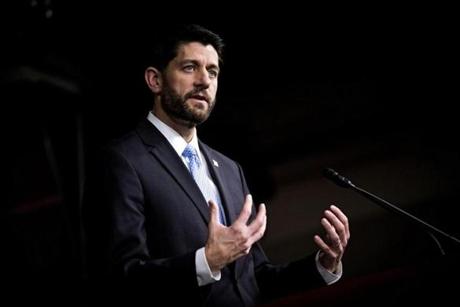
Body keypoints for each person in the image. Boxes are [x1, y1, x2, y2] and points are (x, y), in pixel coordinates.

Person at [83, 24, 350, 307]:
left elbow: (253, 278)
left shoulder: (230, 169)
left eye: (212, 72)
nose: (204, 81)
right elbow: (120, 278)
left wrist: (322, 265)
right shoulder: (122, 161)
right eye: (189, 68)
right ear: (155, 80)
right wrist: (206, 261)